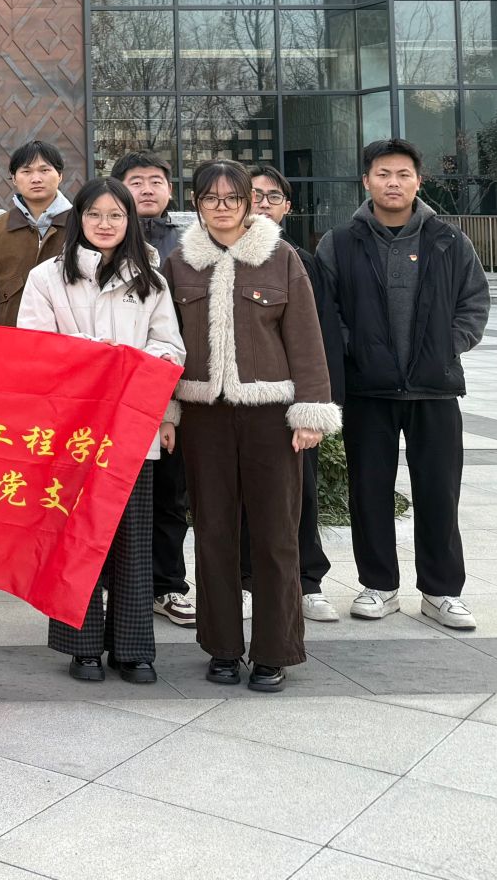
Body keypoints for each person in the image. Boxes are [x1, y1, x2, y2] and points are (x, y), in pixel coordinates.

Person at [164, 159, 340, 693]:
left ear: (248, 203)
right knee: (213, 530)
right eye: (211, 198)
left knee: (275, 533)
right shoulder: (179, 263)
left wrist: (311, 412)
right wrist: (167, 411)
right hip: (203, 415)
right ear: (196, 204)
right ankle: (221, 647)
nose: (222, 207)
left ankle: (273, 650)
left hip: (270, 415)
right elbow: (166, 342)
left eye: (232, 198)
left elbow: (306, 338)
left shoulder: (281, 257)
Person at [317, 138, 490, 633]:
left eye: (403, 174)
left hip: (434, 389)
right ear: (366, 180)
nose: (393, 183)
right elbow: (327, 311)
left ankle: (442, 591)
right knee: (368, 491)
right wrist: (354, 350)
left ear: (418, 180)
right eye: (383, 174)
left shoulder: (448, 240)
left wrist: (446, 346)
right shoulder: (340, 242)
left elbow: (474, 302)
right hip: (368, 389)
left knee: (439, 492)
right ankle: (379, 586)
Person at [17, 177, 185, 685]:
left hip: (132, 428)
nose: (105, 224)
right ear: (79, 220)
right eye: (94, 214)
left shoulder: (151, 280)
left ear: (130, 221)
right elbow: (34, 348)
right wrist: (95, 358)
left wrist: (133, 368)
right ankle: (82, 646)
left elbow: (171, 349)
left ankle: (132, 648)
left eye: (116, 215)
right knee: (75, 538)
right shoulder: (47, 277)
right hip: (71, 429)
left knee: (133, 541)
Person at [246, 164, 348, 624]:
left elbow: (322, 337)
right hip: (239, 402)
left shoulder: (303, 261)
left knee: (299, 494)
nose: (262, 203)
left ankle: (308, 582)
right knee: (240, 498)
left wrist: (319, 404)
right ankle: (246, 581)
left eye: (273, 196)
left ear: (287, 207)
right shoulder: (217, 256)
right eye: (254, 194)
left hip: (292, 404)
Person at [111, 150, 195, 630]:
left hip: (174, 387)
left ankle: (168, 584)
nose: (147, 188)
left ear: (170, 189)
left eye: (156, 180)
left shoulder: (189, 245)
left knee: (168, 494)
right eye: (136, 180)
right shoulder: (101, 240)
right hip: (111, 394)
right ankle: (111, 586)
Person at [0, 140, 72, 329]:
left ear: (60, 175)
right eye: (26, 171)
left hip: (70, 339)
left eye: (44, 170)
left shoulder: (82, 226)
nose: (36, 179)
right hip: (11, 339)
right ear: (14, 179)